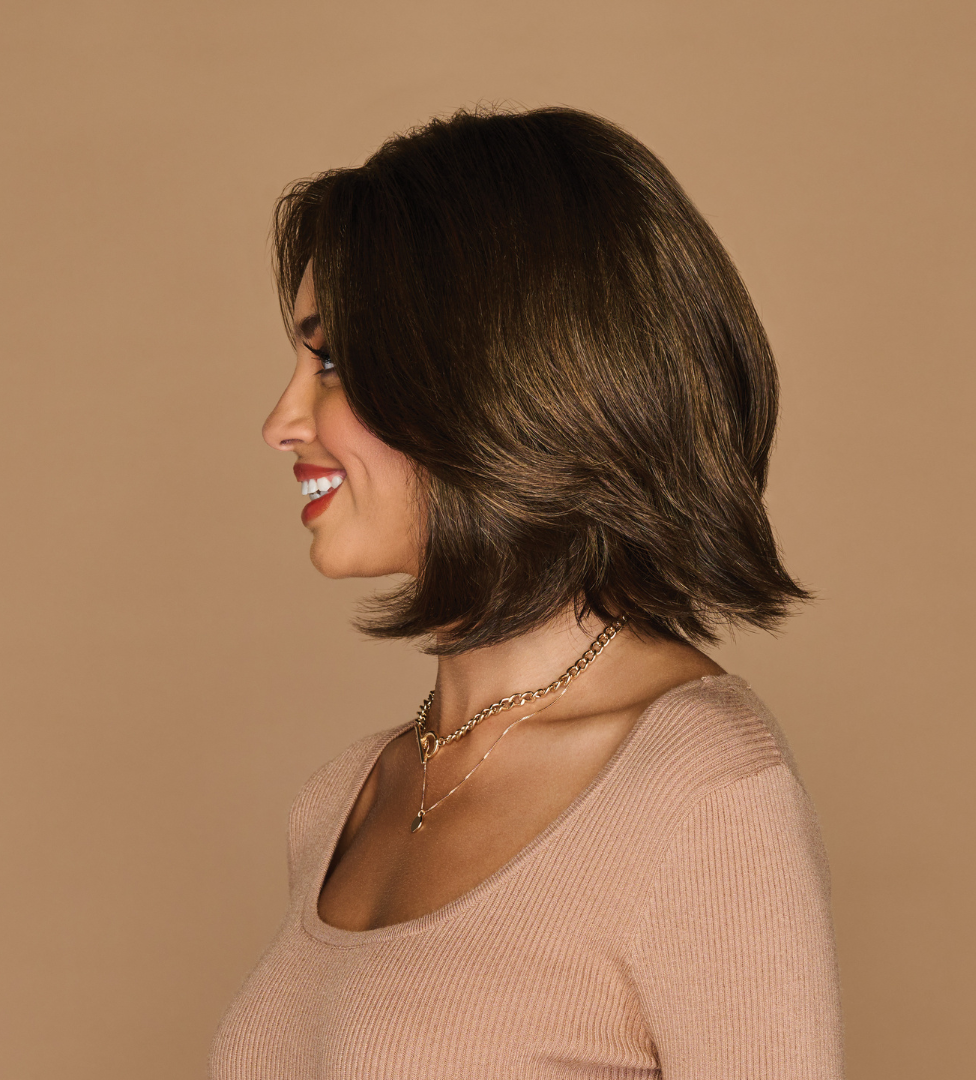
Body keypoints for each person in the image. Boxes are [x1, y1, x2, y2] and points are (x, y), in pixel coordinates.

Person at [209, 106, 843, 1079]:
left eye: (330, 360)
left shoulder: (704, 792)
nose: (282, 420)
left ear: (489, 375)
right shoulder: (343, 800)